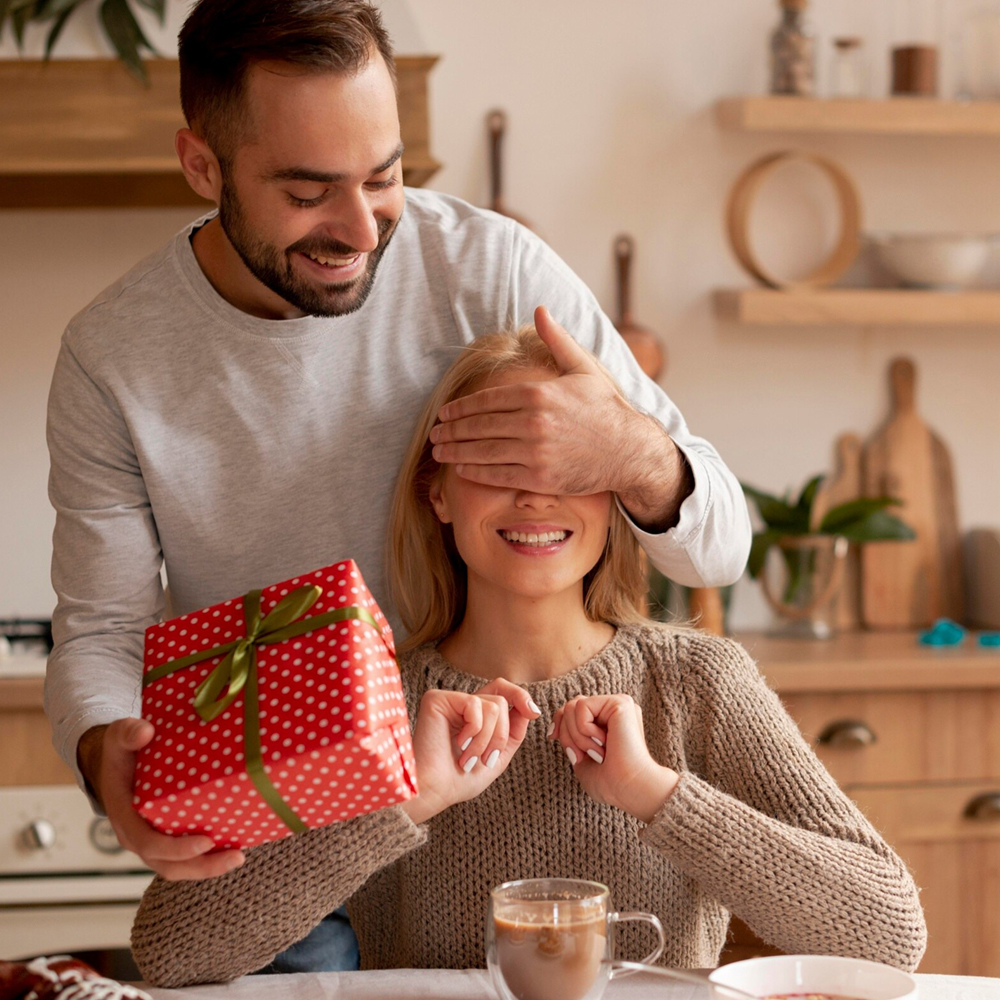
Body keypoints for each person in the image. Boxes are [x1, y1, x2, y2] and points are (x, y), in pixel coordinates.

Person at [43, 0, 750, 973]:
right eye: (307, 193)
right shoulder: (111, 355)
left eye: (385, 177)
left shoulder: (496, 270)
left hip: (496, 789)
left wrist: (630, 451)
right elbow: (103, 633)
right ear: (202, 167)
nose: (359, 228)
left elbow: (716, 543)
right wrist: (106, 754)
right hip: (292, 843)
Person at [129, 327, 926, 988]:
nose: (536, 497)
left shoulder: (698, 682)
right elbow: (170, 952)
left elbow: (891, 932)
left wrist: (657, 795)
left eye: (570, 469)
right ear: (437, 494)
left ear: (613, 496)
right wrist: (408, 799)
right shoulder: (373, 696)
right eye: (496, 466)